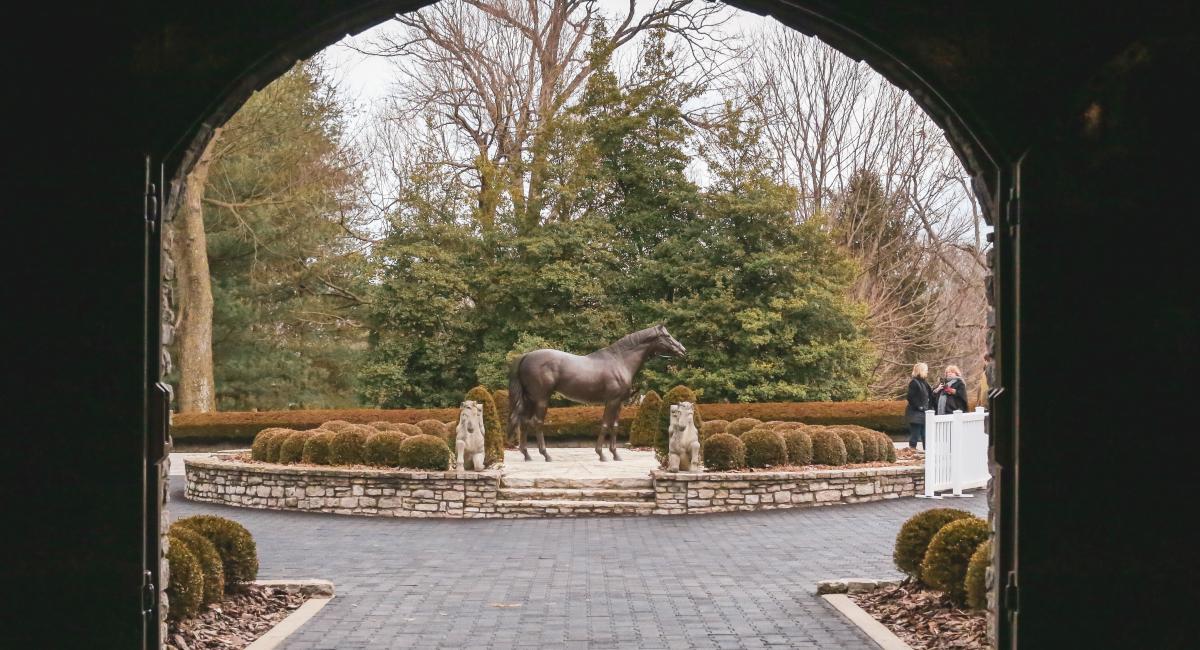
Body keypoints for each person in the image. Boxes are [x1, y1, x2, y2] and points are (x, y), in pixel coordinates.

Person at [906, 363, 933, 451]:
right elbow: (910, 397)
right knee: (915, 434)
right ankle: (912, 451)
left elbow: (930, 394)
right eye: (926, 370)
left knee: (925, 434)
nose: (927, 372)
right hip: (916, 413)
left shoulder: (924, 382)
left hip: (924, 413)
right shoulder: (914, 382)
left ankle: (927, 452)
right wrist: (919, 406)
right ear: (921, 370)